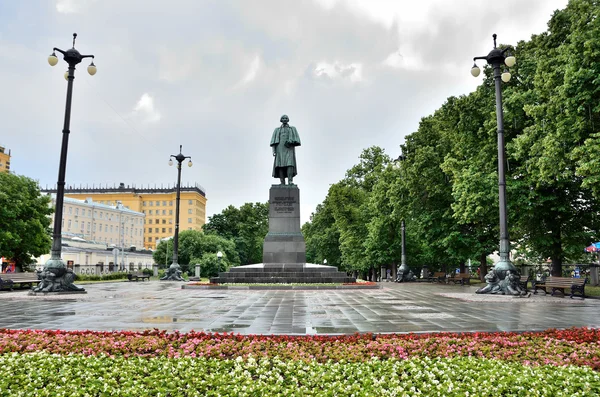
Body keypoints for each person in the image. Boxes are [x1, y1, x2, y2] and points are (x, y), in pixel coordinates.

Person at [270, 114, 301, 185]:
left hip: (289, 149)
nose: (284, 119)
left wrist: (291, 141)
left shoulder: (292, 129)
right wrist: (274, 151)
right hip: (279, 149)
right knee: (280, 165)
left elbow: (297, 140)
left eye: (286, 118)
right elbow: (273, 142)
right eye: (283, 118)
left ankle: (290, 181)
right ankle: (282, 182)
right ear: (281, 120)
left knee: (290, 164)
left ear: (288, 119)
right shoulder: (277, 130)